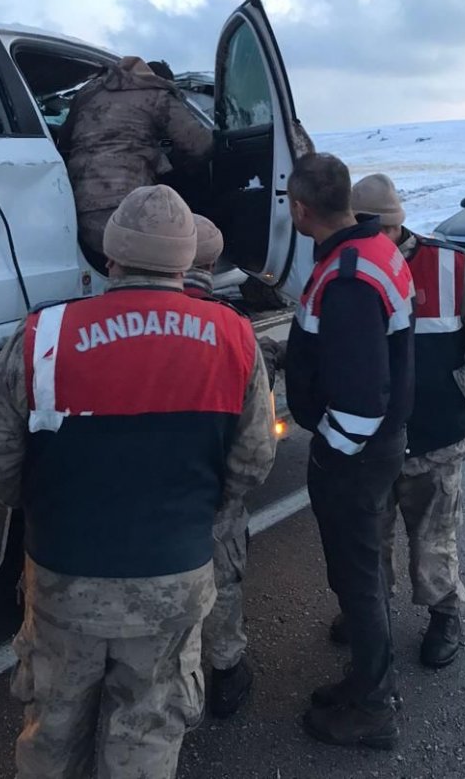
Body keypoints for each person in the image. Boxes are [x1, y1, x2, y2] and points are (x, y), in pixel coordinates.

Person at [0, 185, 276, 779]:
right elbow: (254, 460)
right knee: (148, 726)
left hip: (63, 575)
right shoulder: (233, 337)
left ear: (110, 258)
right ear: (187, 263)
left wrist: (40, 506)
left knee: (53, 727)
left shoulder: (46, 336)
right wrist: (197, 512)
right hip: (175, 575)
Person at [329, 173, 465, 667]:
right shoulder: (346, 267)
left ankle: (444, 614)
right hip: (371, 443)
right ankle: (371, 614)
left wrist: (464, 390)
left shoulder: (453, 266)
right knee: (369, 539)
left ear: (392, 225)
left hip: (436, 439)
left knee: (433, 540)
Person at [284, 154, 415, 750]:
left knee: (359, 577)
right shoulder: (368, 252)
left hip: (358, 453)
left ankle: (373, 707)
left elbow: (364, 398)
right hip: (374, 448)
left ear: (300, 208)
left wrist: (330, 456)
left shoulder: (348, 278)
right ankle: (365, 676)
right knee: (358, 572)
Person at [185, 215, 254, 717]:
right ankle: (227, 671)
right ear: (210, 264)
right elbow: (255, 450)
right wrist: (227, 495)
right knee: (220, 581)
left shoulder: (97, 323)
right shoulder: (233, 330)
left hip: (141, 501)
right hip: (210, 494)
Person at [58, 57, 214, 258]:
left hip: (75, 213)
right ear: (160, 79)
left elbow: (63, 141)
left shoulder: (89, 92)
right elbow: (199, 145)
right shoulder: (156, 93)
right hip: (128, 214)